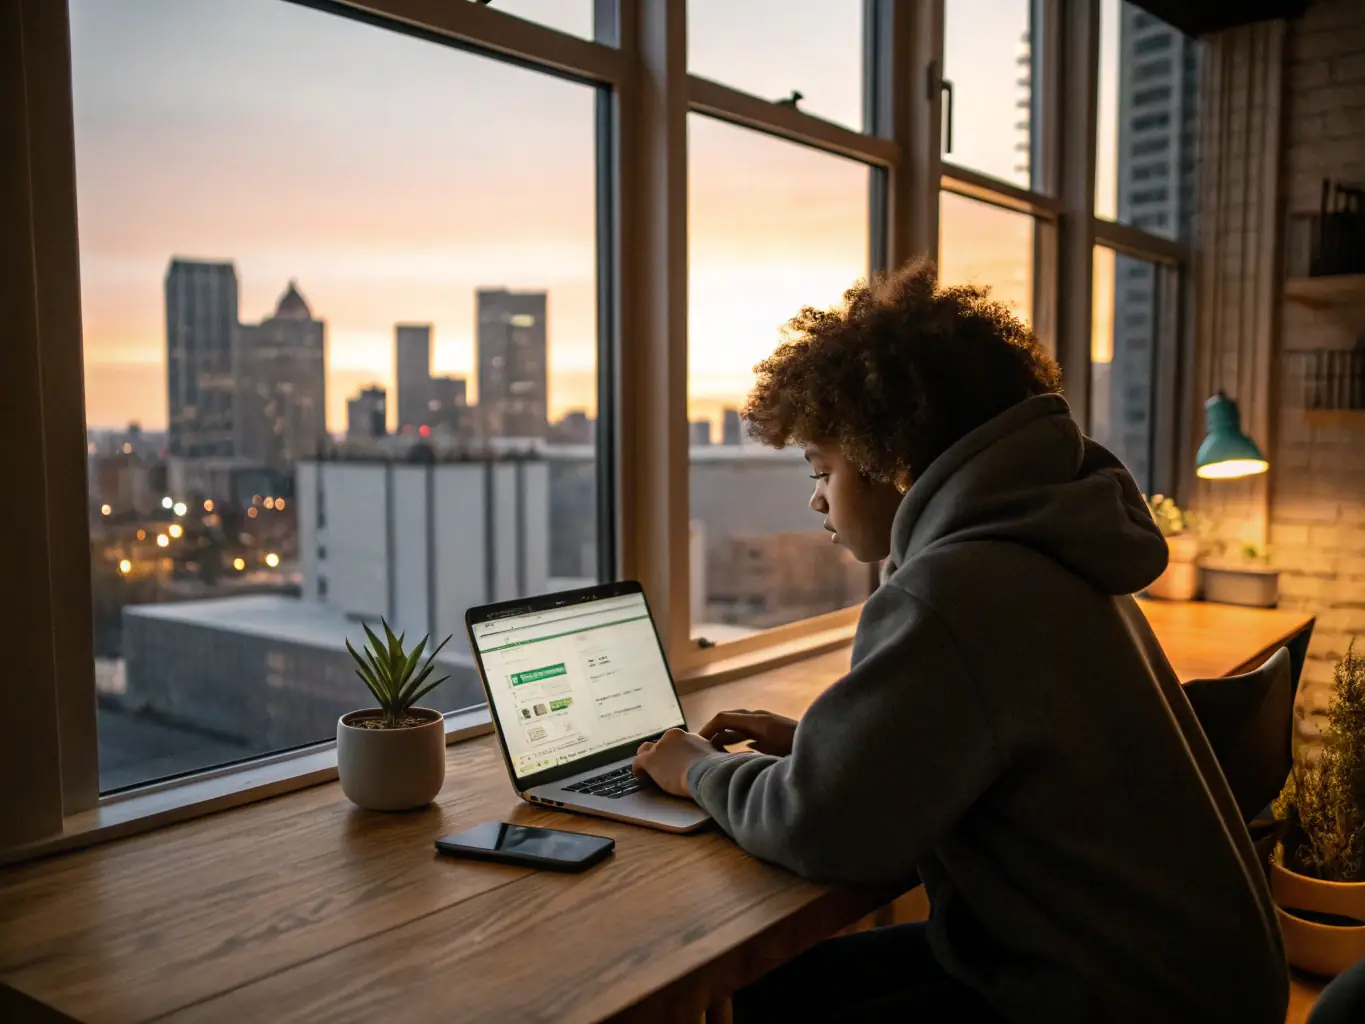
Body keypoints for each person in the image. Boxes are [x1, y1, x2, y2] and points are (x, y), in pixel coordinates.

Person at [632, 261, 1288, 1023]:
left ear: (890, 460)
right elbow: (977, 734)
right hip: (1184, 972)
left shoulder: (954, 588)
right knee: (782, 988)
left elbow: (821, 830)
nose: (815, 498)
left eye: (821, 469)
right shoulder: (1047, 544)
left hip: (1119, 999)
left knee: (763, 999)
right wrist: (823, 747)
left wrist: (697, 770)